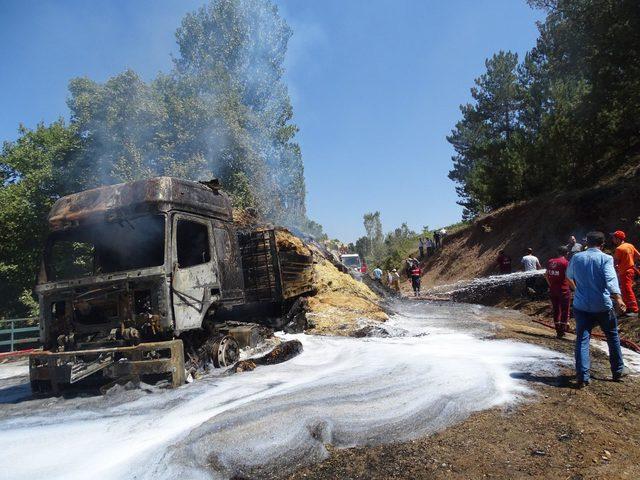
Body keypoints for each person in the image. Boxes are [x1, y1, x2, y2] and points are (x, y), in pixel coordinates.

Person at [567, 231, 628, 387]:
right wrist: (618, 298)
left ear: (587, 243)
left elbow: (569, 276)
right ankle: (617, 371)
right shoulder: (605, 258)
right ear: (602, 244)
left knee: (582, 339)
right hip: (602, 305)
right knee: (612, 336)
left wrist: (577, 290)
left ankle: (582, 376)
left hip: (581, 306)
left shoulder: (576, 257)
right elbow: (610, 279)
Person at [611, 230, 640, 317]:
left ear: (618, 239)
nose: (612, 239)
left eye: (613, 238)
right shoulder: (630, 245)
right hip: (630, 270)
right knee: (624, 289)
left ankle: (634, 310)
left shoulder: (619, 249)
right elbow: (638, 256)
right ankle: (627, 307)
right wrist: (631, 261)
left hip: (624, 272)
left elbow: (615, 262)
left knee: (627, 289)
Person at [545, 246, 572, 338]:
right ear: (567, 253)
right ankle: (562, 330)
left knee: (556, 309)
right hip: (563, 290)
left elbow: (546, 275)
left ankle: (557, 329)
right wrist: (575, 288)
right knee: (565, 309)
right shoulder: (566, 263)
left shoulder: (550, 261)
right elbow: (569, 277)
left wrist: (550, 285)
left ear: (557, 253)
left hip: (553, 289)